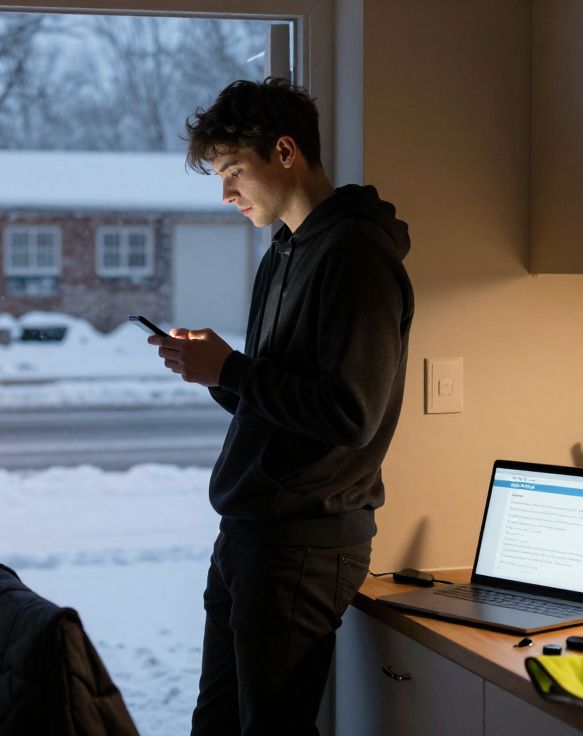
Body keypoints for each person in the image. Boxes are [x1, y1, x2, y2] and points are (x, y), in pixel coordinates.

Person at [150, 78, 414, 735]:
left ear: (287, 152)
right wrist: (215, 372)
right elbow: (279, 398)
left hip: (303, 545)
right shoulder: (283, 254)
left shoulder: (356, 256)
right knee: (215, 724)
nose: (226, 193)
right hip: (247, 534)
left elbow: (350, 412)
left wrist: (233, 368)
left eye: (234, 171)